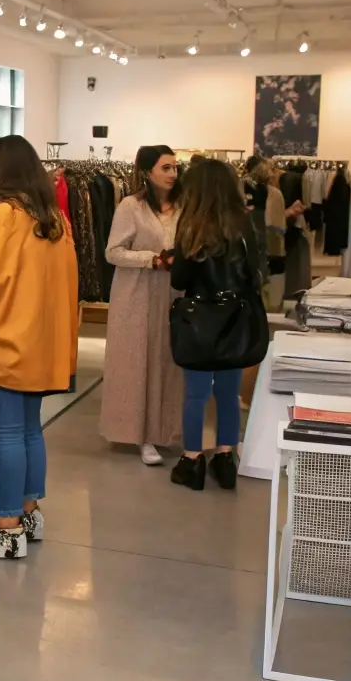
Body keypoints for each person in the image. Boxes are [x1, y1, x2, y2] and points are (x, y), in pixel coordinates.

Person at [0, 136, 79, 560]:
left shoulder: (1, 215)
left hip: (5, 341)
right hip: (41, 342)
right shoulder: (53, 219)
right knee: (29, 430)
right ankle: (29, 513)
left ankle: (5, 528)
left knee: (5, 433)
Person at [169, 158, 265, 491]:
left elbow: (179, 279)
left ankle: (192, 460)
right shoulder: (244, 224)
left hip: (198, 320)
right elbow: (255, 273)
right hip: (235, 320)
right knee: (228, 394)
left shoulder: (190, 226)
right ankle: (226, 457)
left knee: (195, 396)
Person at [99, 145, 184, 465]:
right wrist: (151, 259)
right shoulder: (130, 206)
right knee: (138, 362)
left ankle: (163, 431)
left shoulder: (182, 207)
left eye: (175, 167)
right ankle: (140, 435)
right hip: (136, 294)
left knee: (166, 361)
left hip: (172, 294)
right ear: (147, 171)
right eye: (166, 167)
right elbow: (113, 252)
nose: (173, 173)